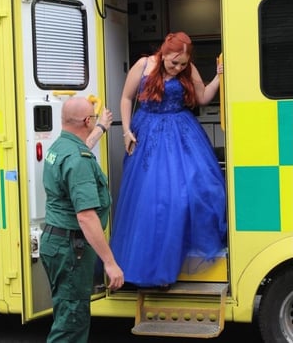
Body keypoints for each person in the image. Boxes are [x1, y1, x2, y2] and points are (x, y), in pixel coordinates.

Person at [110, 31, 227, 288]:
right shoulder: (143, 65)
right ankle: (147, 266)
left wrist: (219, 76)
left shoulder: (188, 69)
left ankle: (178, 256)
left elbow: (203, 97)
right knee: (151, 201)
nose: (178, 68)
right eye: (174, 62)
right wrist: (126, 130)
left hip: (181, 132)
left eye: (183, 64)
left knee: (198, 191)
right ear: (163, 52)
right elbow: (126, 98)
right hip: (147, 133)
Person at [40, 96, 124, 343]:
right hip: (71, 249)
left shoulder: (59, 148)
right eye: (93, 119)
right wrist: (109, 262)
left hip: (57, 244)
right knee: (71, 325)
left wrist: (100, 129)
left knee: (67, 315)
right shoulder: (78, 160)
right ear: (87, 120)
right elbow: (86, 217)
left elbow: (81, 149)